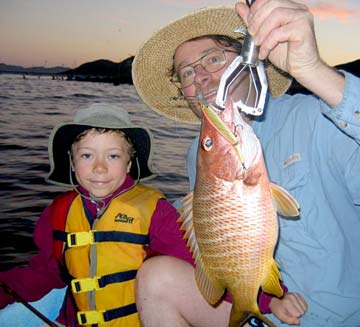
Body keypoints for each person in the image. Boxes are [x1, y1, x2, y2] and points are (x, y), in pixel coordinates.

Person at [131, 1, 360, 327]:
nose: (202, 78)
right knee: (156, 278)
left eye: (213, 59)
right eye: (187, 72)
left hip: (339, 317)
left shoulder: (314, 116)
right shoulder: (199, 150)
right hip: (264, 310)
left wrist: (313, 71)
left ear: (248, 62)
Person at [0, 103, 195, 327]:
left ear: (129, 163)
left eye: (112, 156)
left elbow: (188, 274)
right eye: (87, 155)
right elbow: (45, 273)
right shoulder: (58, 212)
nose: (99, 168)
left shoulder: (157, 212)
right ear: (72, 163)